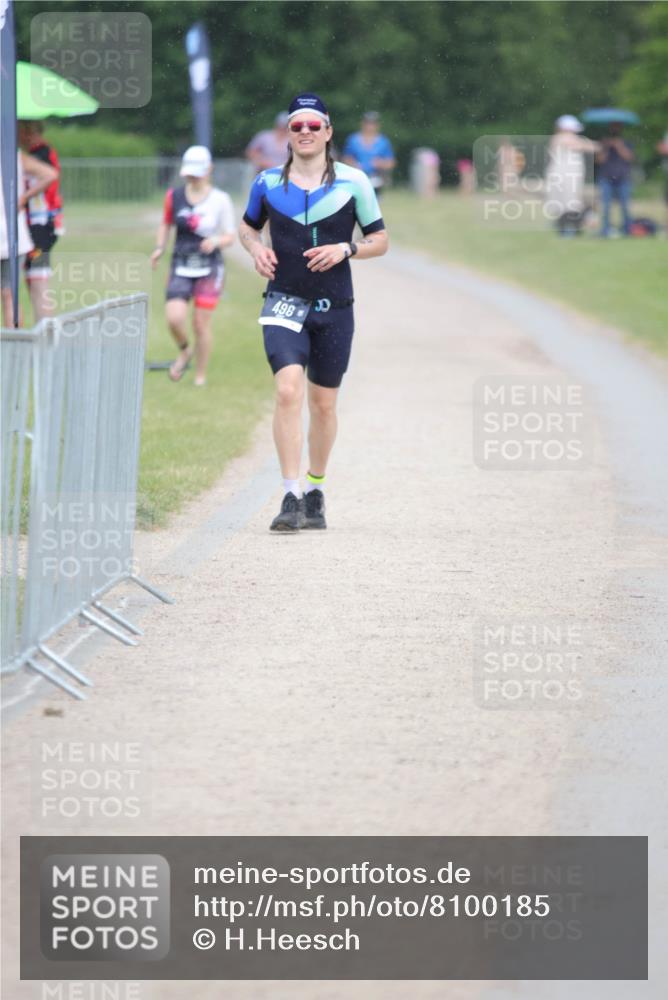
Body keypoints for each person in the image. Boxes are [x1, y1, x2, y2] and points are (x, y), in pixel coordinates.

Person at [239, 93, 389, 532]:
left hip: (335, 308)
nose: (304, 133)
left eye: (313, 126)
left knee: (323, 405)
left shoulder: (354, 182)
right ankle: (290, 494)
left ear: (327, 132)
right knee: (288, 391)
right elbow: (248, 227)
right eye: (296, 126)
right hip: (283, 301)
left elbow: (381, 240)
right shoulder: (267, 183)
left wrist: (347, 248)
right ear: (287, 134)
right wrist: (255, 248)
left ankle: (316, 488)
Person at [151, 145, 236, 386]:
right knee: (174, 318)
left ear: (209, 170)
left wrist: (216, 240)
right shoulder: (173, 196)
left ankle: (200, 374)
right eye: (189, 173)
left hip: (210, 267)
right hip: (181, 263)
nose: (193, 177)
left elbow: (230, 235)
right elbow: (165, 224)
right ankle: (185, 350)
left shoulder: (220, 199)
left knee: (200, 323)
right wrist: (159, 248)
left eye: (197, 172)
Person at [1, 150, 58, 327]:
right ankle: (15, 348)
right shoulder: (13, 154)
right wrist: (24, 198)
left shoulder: (14, 155)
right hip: (13, 236)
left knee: (10, 295)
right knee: (10, 295)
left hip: (11, 236)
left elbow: (50, 174)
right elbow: (50, 174)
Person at [18, 120, 63, 321]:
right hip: (36, 226)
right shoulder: (40, 152)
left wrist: (24, 197)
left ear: (28, 132)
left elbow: (50, 177)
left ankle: (46, 333)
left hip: (40, 227)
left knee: (38, 281)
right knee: (32, 279)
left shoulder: (40, 153)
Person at [544, 115, 600, 236]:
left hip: (568, 177)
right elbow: (585, 146)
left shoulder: (564, 138)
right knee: (568, 204)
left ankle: (571, 227)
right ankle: (569, 228)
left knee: (570, 204)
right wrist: (601, 145)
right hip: (564, 177)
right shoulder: (562, 138)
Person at [596, 122, 635, 238]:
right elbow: (599, 160)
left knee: (625, 206)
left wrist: (619, 146)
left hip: (623, 178)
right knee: (606, 206)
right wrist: (607, 147)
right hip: (606, 178)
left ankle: (627, 230)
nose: (614, 129)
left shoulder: (626, 142)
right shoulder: (603, 143)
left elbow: (630, 157)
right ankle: (605, 230)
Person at [342, 111, 395, 196]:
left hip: (375, 179)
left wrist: (380, 163)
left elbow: (391, 162)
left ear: (377, 125)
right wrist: (354, 165)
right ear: (362, 124)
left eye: (373, 124)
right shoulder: (353, 140)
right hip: (356, 179)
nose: (370, 126)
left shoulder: (383, 142)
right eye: (368, 123)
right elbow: (345, 158)